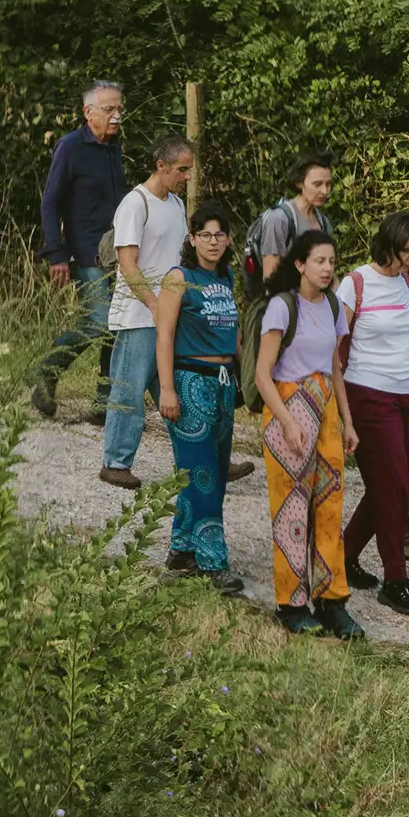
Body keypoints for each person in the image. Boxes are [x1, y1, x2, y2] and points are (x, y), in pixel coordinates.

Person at [258, 226, 362, 640]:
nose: (326, 268)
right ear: (299, 264)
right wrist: (286, 420)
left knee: (330, 505)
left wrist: (348, 421)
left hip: (326, 408)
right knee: (292, 508)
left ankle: (332, 600)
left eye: (332, 262)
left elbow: (335, 367)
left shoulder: (335, 306)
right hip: (288, 404)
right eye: (318, 261)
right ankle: (291, 602)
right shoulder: (282, 307)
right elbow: (264, 375)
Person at [335, 211, 409, 619]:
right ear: (388, 245)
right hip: (370, 394)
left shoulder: (405, 283)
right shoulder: (355, 283)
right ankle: (396, 579)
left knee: (401, 483)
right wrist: (343, 415)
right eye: (406, 250)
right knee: (393, 484)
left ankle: (344, 555)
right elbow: (334, 350)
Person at [154, 202, 247, 597]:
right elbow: (165, 334)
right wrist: (167, 390)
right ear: (191, 239)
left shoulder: (225, 277)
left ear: (228, 240)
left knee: (210, 472)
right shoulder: (180, 278)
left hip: (224, 383)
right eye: (205, 234)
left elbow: (235, 338)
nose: (213, 241)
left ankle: (182, 549)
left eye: (220, 234)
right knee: (204, 475)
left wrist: (252, 380)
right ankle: (214, 562)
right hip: (190, 382)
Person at [97, 134, 196, 489]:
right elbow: (128, 265)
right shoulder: (135, 204)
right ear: (161, 166)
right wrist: (154, 305)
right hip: (139, 315)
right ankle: (115, 462)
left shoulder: (176, 206)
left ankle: (202, 455)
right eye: (182, 169)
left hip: (169, 314)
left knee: (178, 389)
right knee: (129, 388)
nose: (187, 177)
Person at [33, 77, 128, 422]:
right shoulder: (70, 147)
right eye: (109, 109)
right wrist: (55, 254)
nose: (117, 114)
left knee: (117, 326)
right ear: (89, 112)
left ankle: (104, 406)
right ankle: (46, 372)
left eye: (120, 107)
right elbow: (49, 203)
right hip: (85, 250)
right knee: (99, 321)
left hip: (120, 251)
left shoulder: (114, 147)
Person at [240, 155, 336, 406]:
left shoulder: (323, 222)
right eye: (317, 184)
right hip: (286, 312)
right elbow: (271, 277)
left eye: (328, 184)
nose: (324, 191)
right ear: (299, 183)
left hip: (313, 310)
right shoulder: (280, 219)